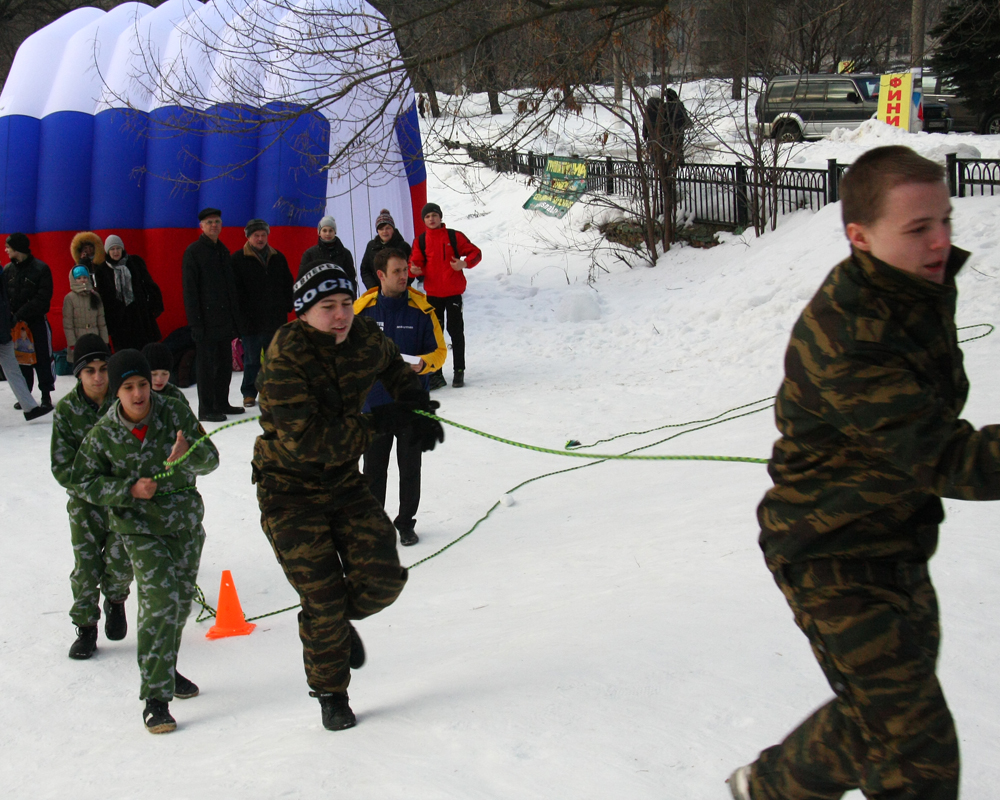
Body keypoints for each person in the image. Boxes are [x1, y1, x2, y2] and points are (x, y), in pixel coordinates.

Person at [728, 145, 1000, 800]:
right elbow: (950, 459)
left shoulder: (907, 288)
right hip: (830, 555)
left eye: (945, 221)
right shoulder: (850, 332)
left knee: (879, 715)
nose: (940, 242)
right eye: (918, 228)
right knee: (916, 747)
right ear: (860, 236)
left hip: (897, 538)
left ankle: (768, 788)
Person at [252, 261, 443, 731]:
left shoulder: (363, 335)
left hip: (342, 480)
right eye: (327, 307)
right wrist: (381, 423)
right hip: (289, 490)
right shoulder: (285, 356)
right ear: (303, 312)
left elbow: (393, 364)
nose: (340, 316)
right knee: (322, 598)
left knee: (383, 580)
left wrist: (413, 404)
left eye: (344, 304)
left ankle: (334, 622)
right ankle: (332, 693)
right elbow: (308, 441)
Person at [72, 349, 220, 734]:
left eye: (142, 385)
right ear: (116, 392)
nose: (138, 394)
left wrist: (189, 455)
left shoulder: (174, 413)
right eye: (128, 388)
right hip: (138, 528)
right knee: (159, 601)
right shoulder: (104, 433)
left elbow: (211, 459)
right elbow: (82, 481)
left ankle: (164, 668)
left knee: (178, 604)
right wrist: (128, 490)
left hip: (184, 524)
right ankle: (156, 699)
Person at [356, 248, 447, 546]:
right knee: (373, 472)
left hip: (411, 405)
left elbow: (440, 352)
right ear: (380, 275)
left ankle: (406, 523)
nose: (403, 276)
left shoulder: (422, 310)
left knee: (410, 469)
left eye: (405, 270)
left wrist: (424, 364)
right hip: (374, 405)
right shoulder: (362, 311)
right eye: (396, 271)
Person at [50, 334, 134, 659]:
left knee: (121, 559)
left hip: (123, 499)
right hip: (85, 503)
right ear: (79, 374)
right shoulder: (67, 411)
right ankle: (86, 628)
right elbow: (62, 467)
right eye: (90, 371)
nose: (98, 377)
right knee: (86, 566)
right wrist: (96, 488)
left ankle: (116, 600)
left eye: (103, 369)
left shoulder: (125, 401)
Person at [182, 207, 246, 422]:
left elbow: (230, 289)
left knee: (224, 365)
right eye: (209, 222)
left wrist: (236, 320)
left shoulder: (223, 251)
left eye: (217, 221)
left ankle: (221, 402)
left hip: (224, 320)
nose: (214, 225)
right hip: (205, 322)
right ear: (201, 226)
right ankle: (206, 408)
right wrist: (196, 324)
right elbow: (190, 291)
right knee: (207, 367)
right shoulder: (194, 252)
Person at [408, 202, 481, 389]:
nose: (431, 219)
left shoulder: (454, 236)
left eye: (434, 215)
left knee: (455, 331)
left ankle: (459, 371)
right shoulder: (421, 241)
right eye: (427, 216)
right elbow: (414, 264)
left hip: (453, 293)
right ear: (423, 220)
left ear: (440, 217)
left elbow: (476, 253)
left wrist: (464, 264)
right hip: (433, 295)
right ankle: (436, 374)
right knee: (435, 335)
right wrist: (413, 270)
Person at [231, 218, 294, 407]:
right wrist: (240, 317)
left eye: (263, 235)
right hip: (250, 321)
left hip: (275, 319)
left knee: (275, 358)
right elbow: (234, 291)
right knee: (251, 360)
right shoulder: (237, 259)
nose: (260, 239)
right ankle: (249, 392)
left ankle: (274, 391)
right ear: (248, 237)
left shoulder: (278, 257)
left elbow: (287, 283)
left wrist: (287, 305)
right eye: (256, 235)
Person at [3, 232, 55, 409]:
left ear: (17, 249)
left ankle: (46, 395)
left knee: (43, 359)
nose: (6, 250)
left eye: (8, 247)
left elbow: (42, 299)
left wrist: (21, 313)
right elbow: (5, 297)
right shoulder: (8, 270)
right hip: (17, 325)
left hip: (36, 322)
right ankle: (26, 396)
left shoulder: (41, 269)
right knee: (22, 360)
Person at [94, 234, 164, 352]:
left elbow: (149, 284)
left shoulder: (135, 262)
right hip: (119, 320)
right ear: (107, 251)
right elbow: (103, 296)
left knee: (145, 348)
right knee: (124, 351)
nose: (116, 252)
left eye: (118, 248)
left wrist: (154, 306)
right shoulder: (102, 270)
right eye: (112, 249)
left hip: (139, 314)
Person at [0, 261, 50, 420]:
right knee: (13, 370)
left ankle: (30, 408)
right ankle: (30, 408)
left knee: (13, 369)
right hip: (3, 329)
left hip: (3, 330)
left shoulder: (2, 271)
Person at [299, 215, 357, 296]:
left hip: (339, 297)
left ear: (335, 232)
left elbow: (351, 279)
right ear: (319, 232)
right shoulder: (310, 254)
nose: (327, 234)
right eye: (324, 230)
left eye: (330, 230)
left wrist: (351, 297)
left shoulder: (345, 253)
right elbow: (303, 279)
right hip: (318, 298)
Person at [62, 265, 108, 362]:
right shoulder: (69, 298)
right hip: (79, 339)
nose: (82, 280)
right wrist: (72, 344)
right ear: (73, 280)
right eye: (79, 278)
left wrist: (104, 341)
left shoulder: (95, 296)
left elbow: (101, 321)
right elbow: (68, 324)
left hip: (95, 338)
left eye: (85, 277)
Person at [359, 208, 412, 292]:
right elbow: (365, 270)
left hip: (400, 291)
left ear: (393, 229)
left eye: (388, 228)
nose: (384, 231)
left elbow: (410, 269)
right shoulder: (371, 246)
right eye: (381, 229)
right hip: (377, 292)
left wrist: (402, 285)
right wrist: (373, 288)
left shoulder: (403, 246)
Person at [142, 341, 191, 408]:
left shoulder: (176, 395)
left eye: (165, 374)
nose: (159, 379)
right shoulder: (137, 395)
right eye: (153, 374)